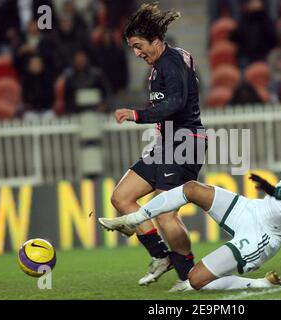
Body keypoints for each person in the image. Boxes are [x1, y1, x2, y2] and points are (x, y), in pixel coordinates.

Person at [99, 120, 281, 291]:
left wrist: (279, 193)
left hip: (264, 236)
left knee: (195, 281)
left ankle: (259, 284)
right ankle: (135, 217)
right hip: (253, 209)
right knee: (192, 189)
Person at [99, 3, 207, 291]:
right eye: (132, 47)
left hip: (185, 142)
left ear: (156, 41)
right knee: (122, 197)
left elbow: (176, 102)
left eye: (138, 46)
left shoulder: (171, 63)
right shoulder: (166, 61)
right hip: (166, 143)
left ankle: (188, 276)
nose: (136, 53)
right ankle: (162, 255)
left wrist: (138, 115)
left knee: (165, 213)